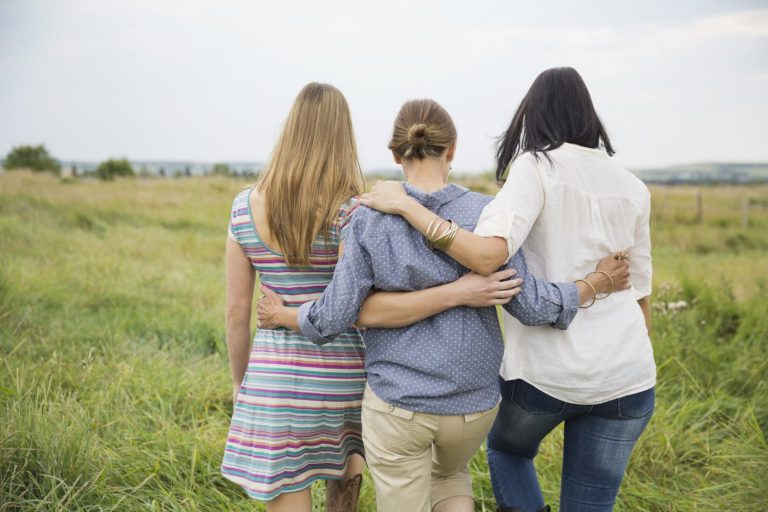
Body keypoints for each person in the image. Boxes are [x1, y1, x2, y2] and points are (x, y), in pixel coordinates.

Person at [256, 98, 631, 512]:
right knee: (450, 475)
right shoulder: (486, 213)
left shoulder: (368, 218)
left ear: (396, 154)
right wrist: (594, 284)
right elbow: (532, 306)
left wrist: (283, 315)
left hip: (400, 405)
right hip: (473, 407)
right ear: (451, 150)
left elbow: (335, 315)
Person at [360, 68, 655, 512]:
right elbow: (640, 291)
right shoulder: (633, 186)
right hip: (627, 375)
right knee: (592, 503)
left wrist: (405, 205)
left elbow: (486, 257)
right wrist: (618, 338)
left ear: (532, 116)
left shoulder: (536, 166)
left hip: (548, 373)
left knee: (508, 450)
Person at [221, 82, 369, 512]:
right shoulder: (354, 209)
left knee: (289, 486)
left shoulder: (245, 206)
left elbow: (236, 312)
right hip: (348, 374)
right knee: (347, 471)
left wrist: (238, 381)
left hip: (278, 379)